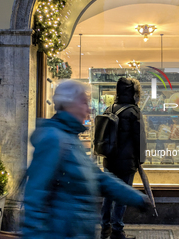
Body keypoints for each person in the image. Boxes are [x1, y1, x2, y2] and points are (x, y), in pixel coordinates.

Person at [22, 80, 149, 239]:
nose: (88, 109)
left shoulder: (71, 139)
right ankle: (116, 229)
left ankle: (108, 227)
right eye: (84, 102)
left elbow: (98, 177)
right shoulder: (54, 139)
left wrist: (137, 198)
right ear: (69, 104)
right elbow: (35, 197)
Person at [101, 77, 147, 239]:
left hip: (109, 160)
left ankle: (104, 227)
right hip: (127, 162)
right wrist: (141, 159)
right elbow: (139, 139)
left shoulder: (109, 109)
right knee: (122, 193)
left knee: (108, 194)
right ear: (134, 93)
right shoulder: (134, 112)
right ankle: (117, 230)